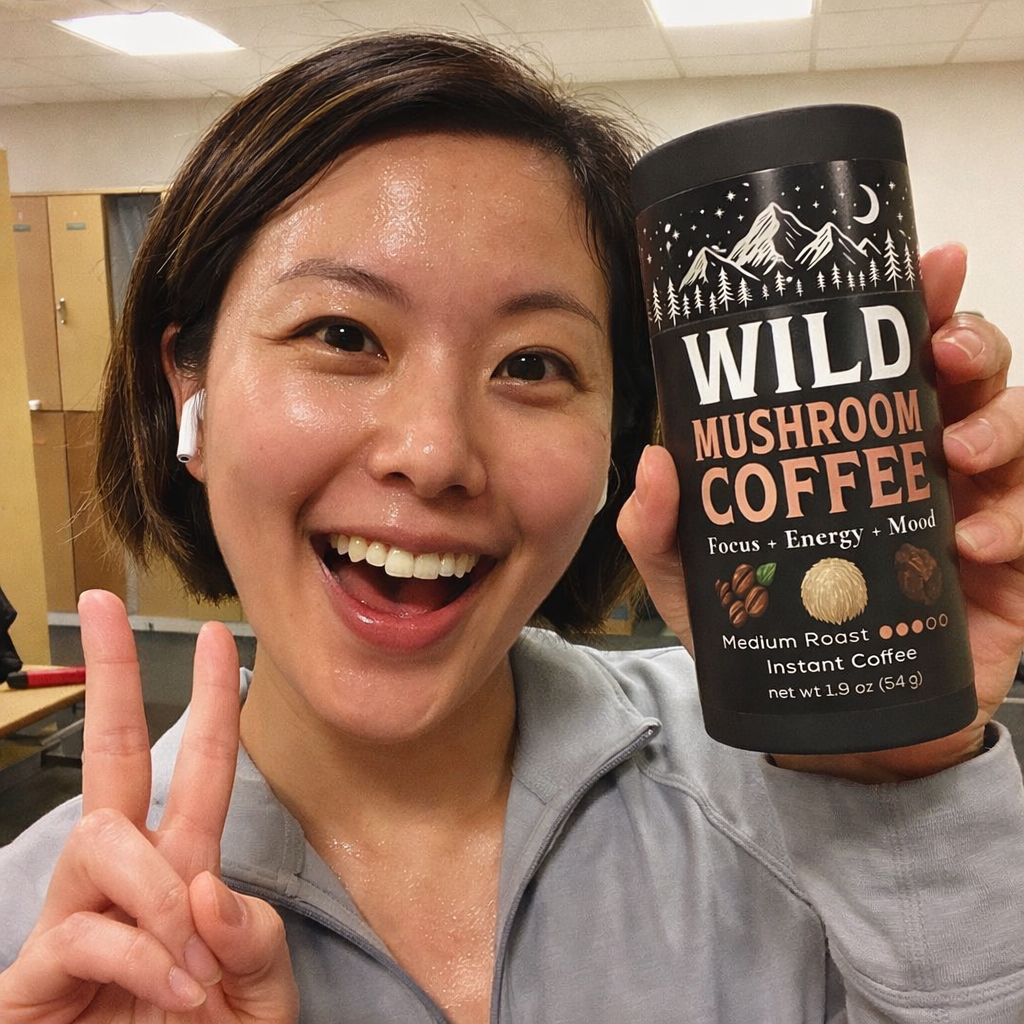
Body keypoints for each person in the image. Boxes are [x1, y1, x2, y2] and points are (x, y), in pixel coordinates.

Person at [1, 30, 1022, 1024]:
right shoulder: (42, 937)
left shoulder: (784, 791)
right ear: (190, 390)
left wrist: (902, 788)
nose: (435, 451)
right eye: (342, 334)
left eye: (533, 364)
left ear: (617, 442)